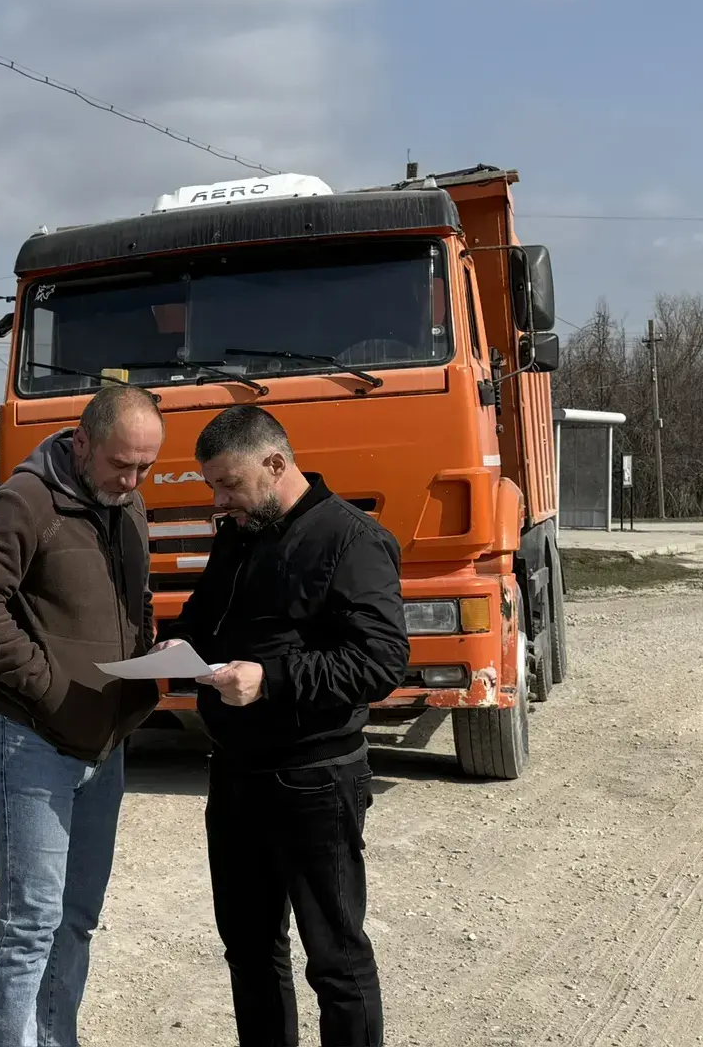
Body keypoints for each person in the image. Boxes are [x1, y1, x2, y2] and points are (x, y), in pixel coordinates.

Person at [156, 404, 408, 1047]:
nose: (218, 501)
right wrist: (178, 643)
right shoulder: (241, 531)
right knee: (249, 949)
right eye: (213, 486)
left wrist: (270, 679)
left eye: (229, 484)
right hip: (236, 773)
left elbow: (380, 662)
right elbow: (205, 614)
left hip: (314, 777)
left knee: (336, 958)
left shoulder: (351, 539)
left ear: (275, 463)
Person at [0, 384, 165, 1047]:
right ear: (81, 443)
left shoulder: (129, 506)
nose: (132, 481)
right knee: (31, 919)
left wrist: (149, 657)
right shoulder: (23, 502)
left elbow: (137, 598)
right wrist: (47, 686)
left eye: (145, 468)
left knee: (77, 917)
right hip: (33, 738)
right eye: (121, 464)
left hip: (105, 743)